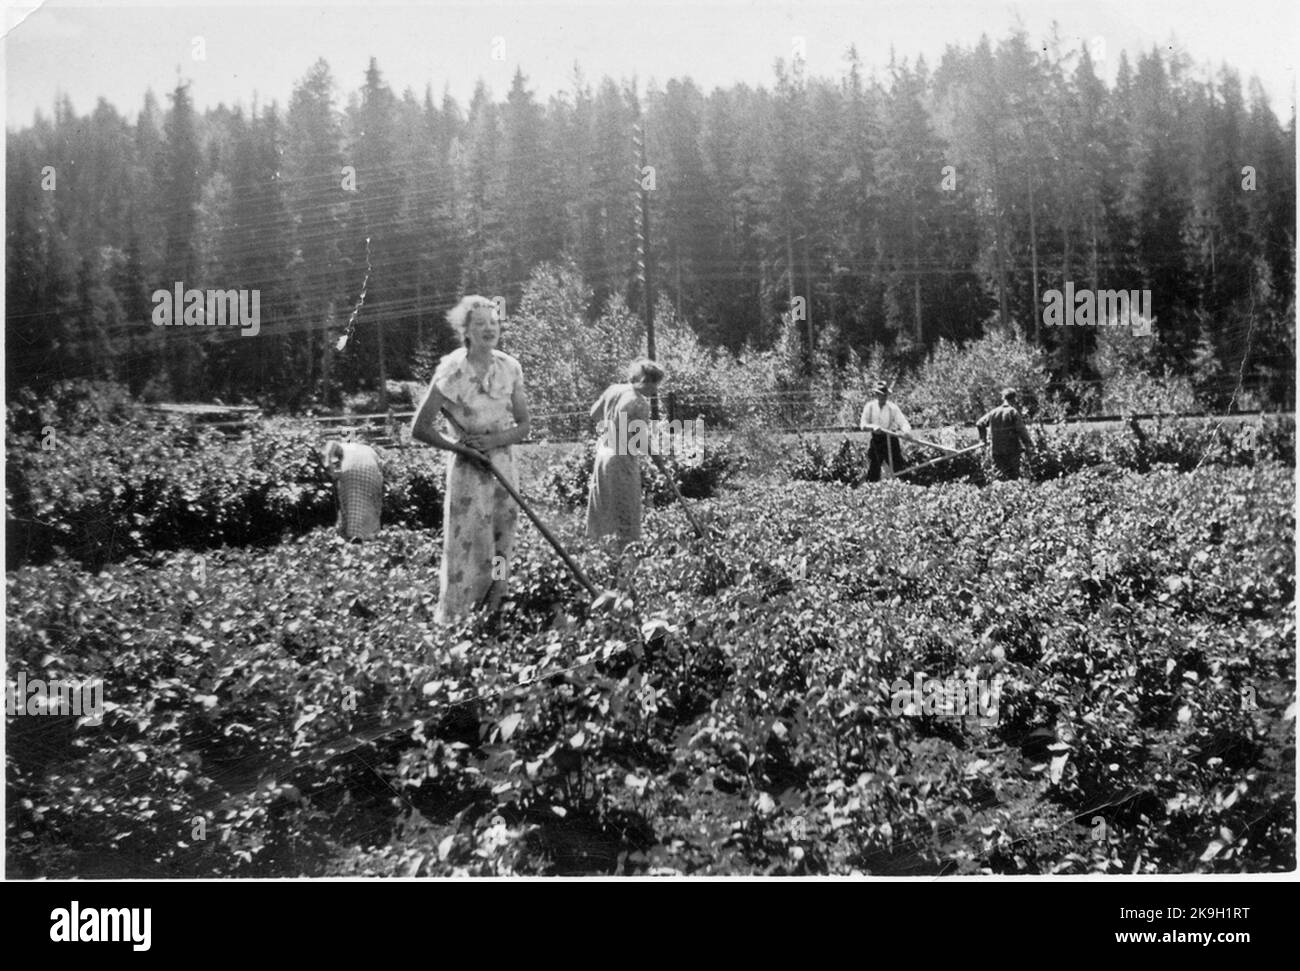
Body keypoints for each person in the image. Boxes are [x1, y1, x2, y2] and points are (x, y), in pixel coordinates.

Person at [410, 295, 530, 623]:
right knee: (468, 545)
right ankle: (458, 621)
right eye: (480, 324)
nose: (489, 329)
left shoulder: (510, 367)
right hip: (468, 471)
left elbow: (524, 426)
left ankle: (495, 610)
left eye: (494, 322)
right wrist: (462, 449)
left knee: (502, 542)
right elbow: (420, 429)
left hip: (503, 467)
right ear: (466, 330)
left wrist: (492, 441)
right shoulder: (452, 369)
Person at [586, 359, 665, 551]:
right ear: (646, 381)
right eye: (655, 385)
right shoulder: (639, 403)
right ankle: (624, 553)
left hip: (603, 453)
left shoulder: (614, 389)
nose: (655, 391)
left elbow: (594, 414)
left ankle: (600, 548)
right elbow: (641, 441)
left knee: (604, 504)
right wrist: (659, 461)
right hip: (621, 459)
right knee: (625, 507)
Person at [320, 439, 383, 541]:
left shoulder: (346, 446)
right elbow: (380, 470)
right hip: (373, 472)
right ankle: (369, 537)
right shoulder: (369, 450)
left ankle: (354, 538)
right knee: (370, 507)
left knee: (351, 503)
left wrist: (329, 464)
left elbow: (332, 443)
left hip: (350, 469)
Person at [976, 388, 1034, 481]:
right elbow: (1021, 430)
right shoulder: (1013, 412)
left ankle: (1000, 493)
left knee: (999, 475)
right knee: (1013, 476)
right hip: (1012, 450)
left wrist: (983, 439)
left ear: (1003, 398)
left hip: (997, 450)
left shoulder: (993, 412)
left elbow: (979, 423)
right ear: (1014, 399)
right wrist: (1028, 444)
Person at [859, 381, 912, 481]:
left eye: (885, 395)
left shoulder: (892, 408)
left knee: (899, 467)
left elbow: (903, 422)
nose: (883, 397)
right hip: (876, 440)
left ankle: (905, 487)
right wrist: (873, 427)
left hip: (891, 439)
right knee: (873, 468)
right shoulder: (870, 407)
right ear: (877, 395)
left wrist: (906, 432)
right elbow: (863, 425)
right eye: (881, 395)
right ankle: (870, 490)